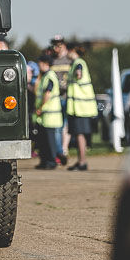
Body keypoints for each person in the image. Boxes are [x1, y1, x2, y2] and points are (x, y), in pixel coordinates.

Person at [65, 44, 98, 171]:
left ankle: (82, 162)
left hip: (81, 107)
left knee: (80, 134)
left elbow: (79, 71)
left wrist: (78, 73)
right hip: (78, 107)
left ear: (72, 50)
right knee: (79, 134)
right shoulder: (76, 63)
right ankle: (80, 161)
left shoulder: (78, 62)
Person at [34, 54, 63, 170]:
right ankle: (44, 161)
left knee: (49, 141)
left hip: (50, 114)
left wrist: (41, 107)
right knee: (43, 140)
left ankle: (51, 161)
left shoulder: (50, 76)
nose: (38, 66)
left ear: (45, 63)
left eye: (40, 63)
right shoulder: (45, 76)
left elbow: (47, 94)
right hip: (45, 115)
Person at [49, 35, 72, 165]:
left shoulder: (69, 60)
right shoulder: (51, 60)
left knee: (66, 125)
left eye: (59, 44)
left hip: (67, 97)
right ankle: (60, 152)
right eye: (55, 44)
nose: (57, 47)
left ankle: (64, 149)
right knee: (59, 126)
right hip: (55, 98)